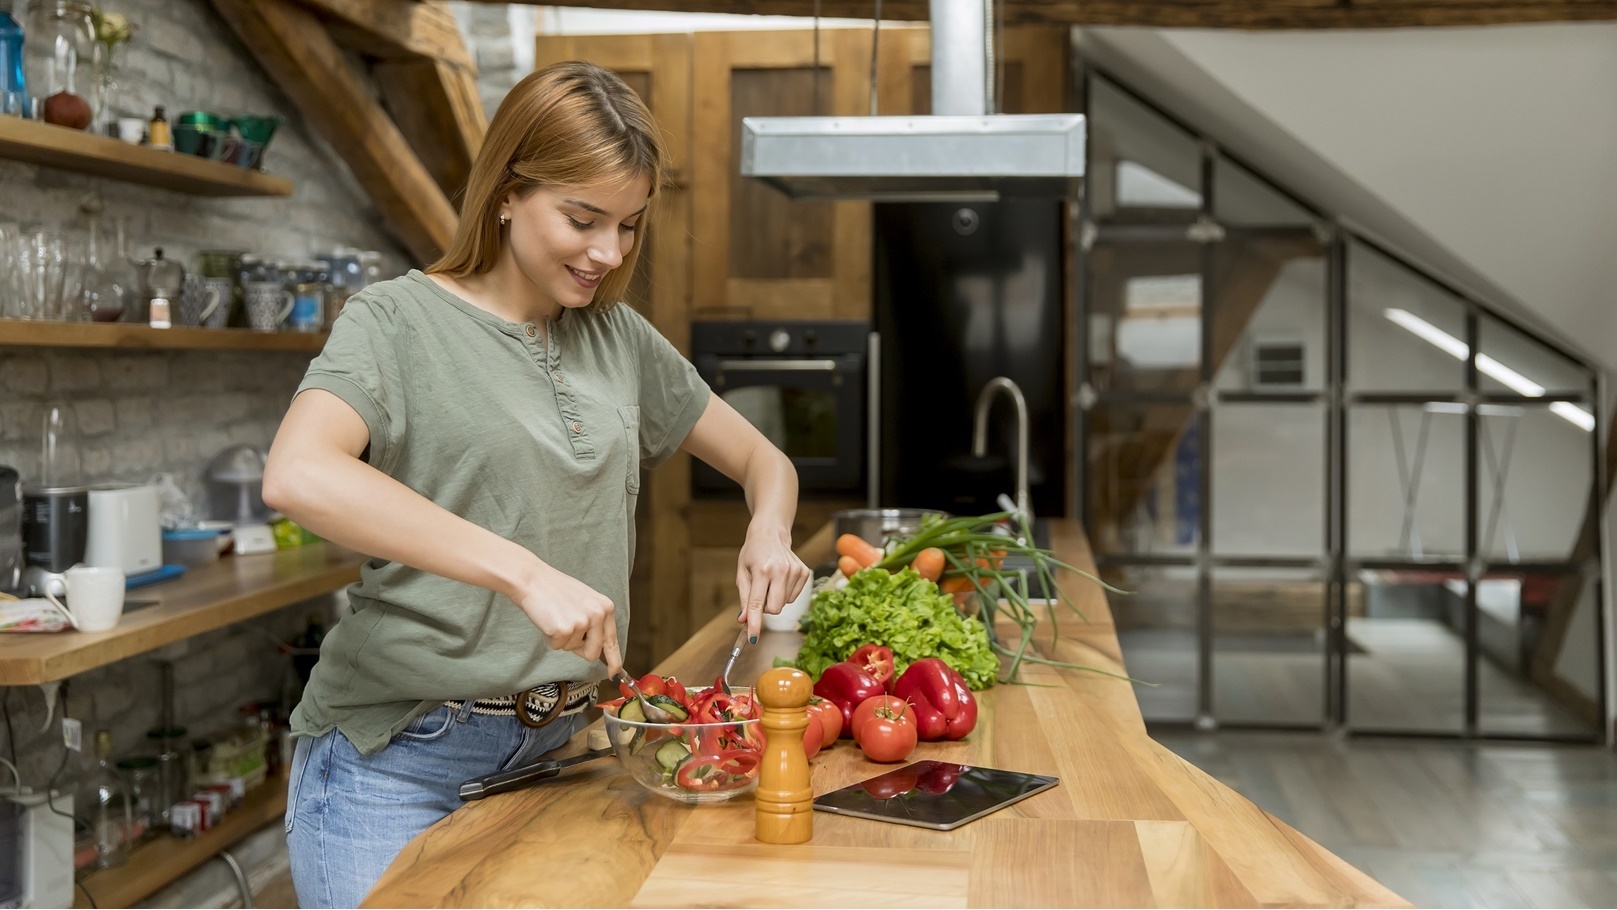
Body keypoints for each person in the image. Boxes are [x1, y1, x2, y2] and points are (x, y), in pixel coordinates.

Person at [262, 61, 811, 909]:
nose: (608, 252)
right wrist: (522, 571)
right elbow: (298, 474)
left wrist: (767, 530)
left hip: (563, 753)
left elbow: (764, 461)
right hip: (397, 760)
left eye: (628, 226)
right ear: (508, 192)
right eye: (582, 218)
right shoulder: (396, 321)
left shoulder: (616, 338)